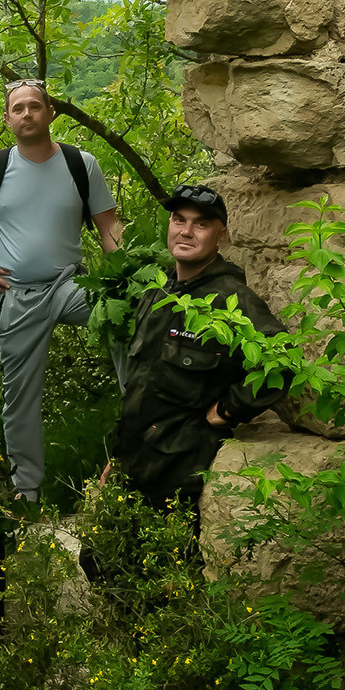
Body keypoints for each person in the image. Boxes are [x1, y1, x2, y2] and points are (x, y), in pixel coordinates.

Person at [0, 79, 123, 502]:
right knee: (20, 399)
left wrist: (127, 274)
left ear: (50, 113)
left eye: (35, 106)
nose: (27, 114)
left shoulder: (80, 163)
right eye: (18, 108)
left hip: (71, 285)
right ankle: (27, 490)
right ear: (7, 119)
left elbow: (108, 227)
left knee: (130, 318)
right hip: (15, 293)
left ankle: (137, 437)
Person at [107, 182, 290, 523]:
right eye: (179, 220)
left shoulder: (231, 299)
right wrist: (116, 458)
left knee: (171, 570)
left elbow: (283, 360)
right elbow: (140, 385)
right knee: (101, 566)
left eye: (201, 224)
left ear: (220, 234)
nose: (186, 231)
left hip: (180, 471)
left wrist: (226, 410)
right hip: (132, 464)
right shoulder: (157, 295)